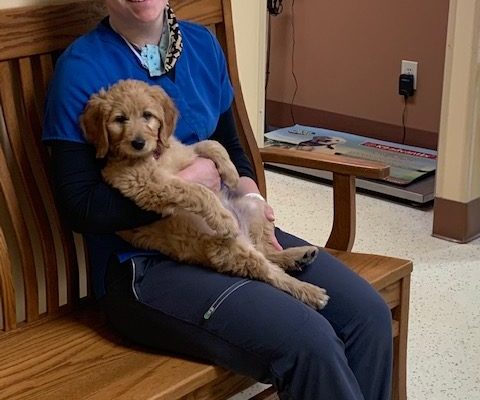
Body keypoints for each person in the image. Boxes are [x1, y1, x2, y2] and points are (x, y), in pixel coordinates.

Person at [42, 1, 393, 399]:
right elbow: (81, 206)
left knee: (367, 315)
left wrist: (252, 197)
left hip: (225, 230)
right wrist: (189, 184)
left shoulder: (202, 46)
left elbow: (231, 148)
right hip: (144, 266)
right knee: (310, 342)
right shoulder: (82, 69)